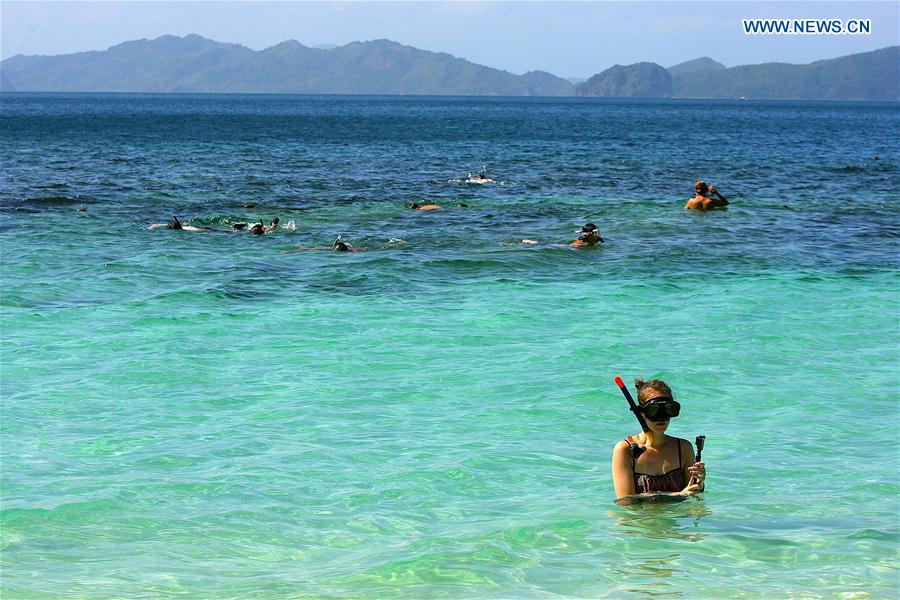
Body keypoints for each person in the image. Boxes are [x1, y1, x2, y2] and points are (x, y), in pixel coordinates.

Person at [611, 378, 706, 501]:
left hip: (674, 518)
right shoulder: (625, 449)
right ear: (641, 413)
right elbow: (625, 501)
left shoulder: (683, 448)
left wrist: (700, 484)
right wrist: (678, 495)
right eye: (654, 410)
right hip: (638, 520)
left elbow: (692, 495)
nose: (662, 417)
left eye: (668, 409)